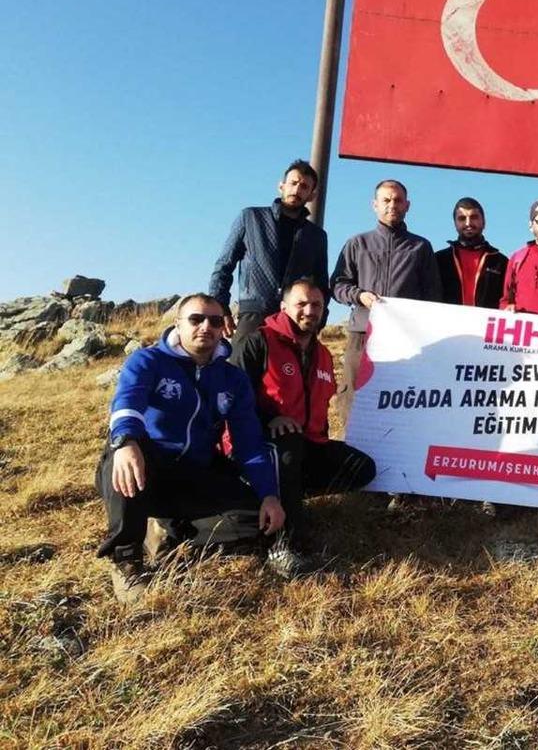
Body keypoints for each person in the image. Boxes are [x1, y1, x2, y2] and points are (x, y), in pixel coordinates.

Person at [98, 293, 285, 602]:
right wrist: (125, 440)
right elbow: (127, 402)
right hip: (146, 468)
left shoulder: (232, 379)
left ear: (223, 327)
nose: (205, 327)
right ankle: (126, 558)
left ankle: (170, 533)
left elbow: (249, 441)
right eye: (196, 319)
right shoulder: (149, 360)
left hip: (194, 471)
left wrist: (268, 494)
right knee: (126, 451)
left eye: (214, 321)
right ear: (179, 324)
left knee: (257, 519)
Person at [230, 278, 376, 577]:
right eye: (302, 304)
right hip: (259, 446)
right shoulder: (259, 342)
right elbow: (231, 399)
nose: (310, 310)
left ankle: (287, 499)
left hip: (309, 445)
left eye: (317, 305)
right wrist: (269, 417)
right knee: (289, 446)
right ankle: (282, 545)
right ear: (284, 307)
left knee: (362, 468)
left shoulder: (322, 353)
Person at [331, 179, 441, 422]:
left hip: (405, 340)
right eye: (386, 200)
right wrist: (359, 296)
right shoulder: (357, 243)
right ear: (374, 205)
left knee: (399, 402)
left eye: (398, 200)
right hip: (362, 335)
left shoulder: (421, 247)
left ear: (407, 205)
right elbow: (338, 285)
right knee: (352, 398)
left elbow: (432, 297)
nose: (393, 205)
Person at [209, 160, 329, 347]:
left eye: (304, 186)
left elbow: (321, 281)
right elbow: (224, 265)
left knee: (288, 374)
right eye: (293, 183)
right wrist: (220, 306)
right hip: (253, 311)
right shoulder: (251, 218)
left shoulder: (316, 236)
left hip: (293, 317)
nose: (297, 190)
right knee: (240, 373)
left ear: (311, 195)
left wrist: (320, 318)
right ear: (281, 186)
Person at [434, 197, 508, 309]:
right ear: (455, 223)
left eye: (474, 217)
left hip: (485, 325)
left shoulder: (500, 262)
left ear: (484, 222)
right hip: (447, 324)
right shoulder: (439, 259)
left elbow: (507, 300)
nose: (468, 223)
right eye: (462, 218)